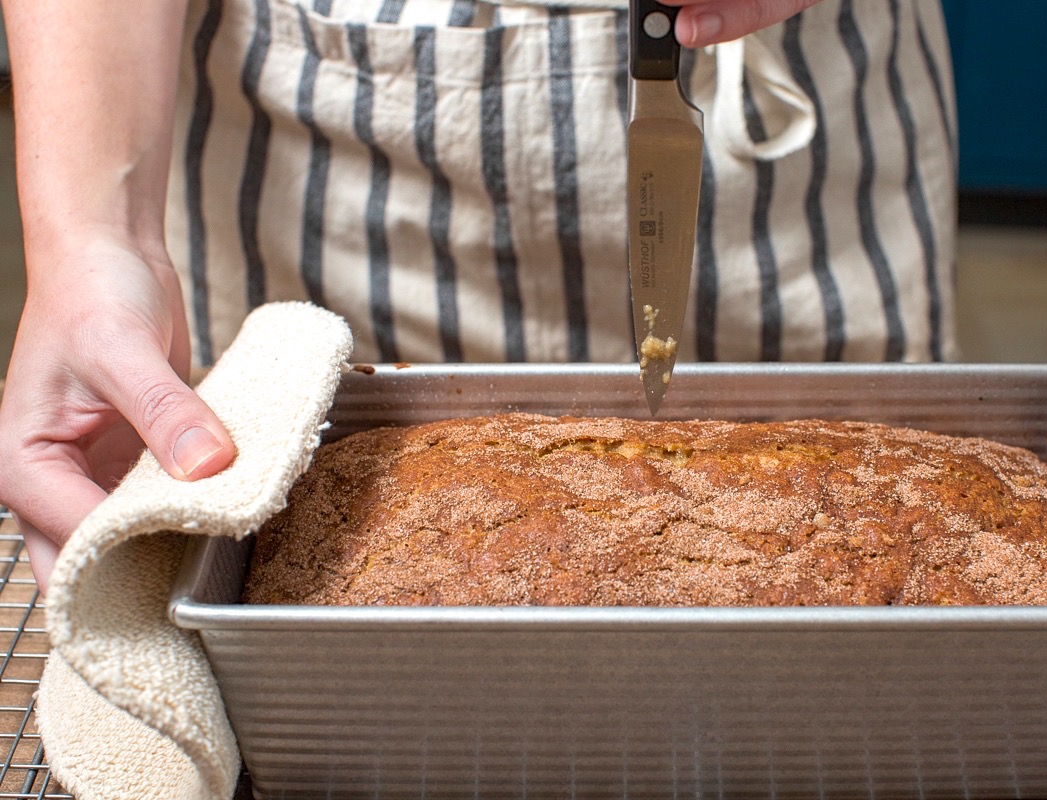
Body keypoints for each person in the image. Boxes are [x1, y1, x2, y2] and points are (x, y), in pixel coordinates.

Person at [0, 0, 958, 591]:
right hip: (327, 151)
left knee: (884, 537)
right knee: (300, 537)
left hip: (785, 154)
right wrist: (96, 233)